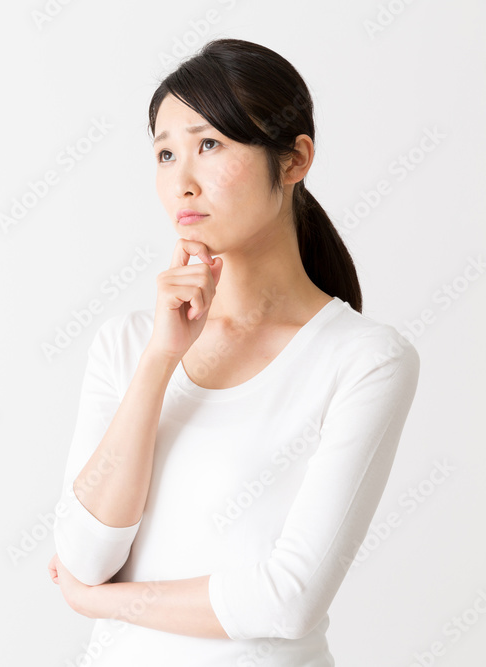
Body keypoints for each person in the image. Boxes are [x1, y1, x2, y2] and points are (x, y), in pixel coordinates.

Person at [47, 38, 420, 665]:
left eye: (210, 144)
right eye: (165, 153)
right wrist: (161, 360)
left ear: (295, 159)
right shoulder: (128, 345)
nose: (182, 181)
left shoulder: (365, 360)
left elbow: (288, 598)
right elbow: (85, 555)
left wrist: (103, 602)